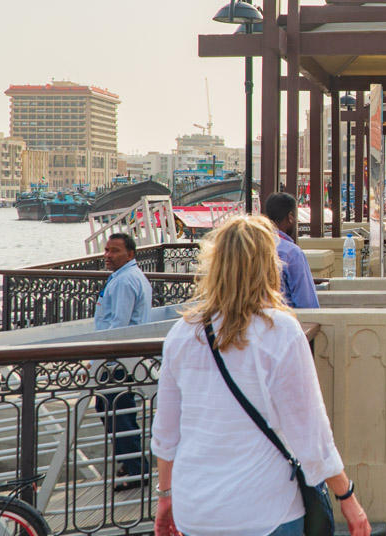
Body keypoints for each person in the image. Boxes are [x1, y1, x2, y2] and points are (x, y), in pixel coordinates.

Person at [151, 216, 370, 536]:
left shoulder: (182, 333)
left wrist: (165, 496)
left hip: (195, 509)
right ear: (269, 266)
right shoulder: (281, 332)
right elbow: (310, 432)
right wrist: (346, 496)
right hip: (265, 509)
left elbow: (166, 432)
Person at [96, 233, 153, 490]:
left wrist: (100, 360)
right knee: (112, 410)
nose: (108, 255)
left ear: (130, 254)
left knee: (118, 414)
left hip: (118, 359)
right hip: (123, 358)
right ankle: (130, 463)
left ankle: (136, 469)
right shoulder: (126, 277)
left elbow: (119, 325)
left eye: (114, 251)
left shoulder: (125, 281)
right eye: (107, 250)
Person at [263, 193, 320, 309]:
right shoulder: (292, 253)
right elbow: (307, 304)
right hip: (283, 318)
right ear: (290, 216)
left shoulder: (251, 247)